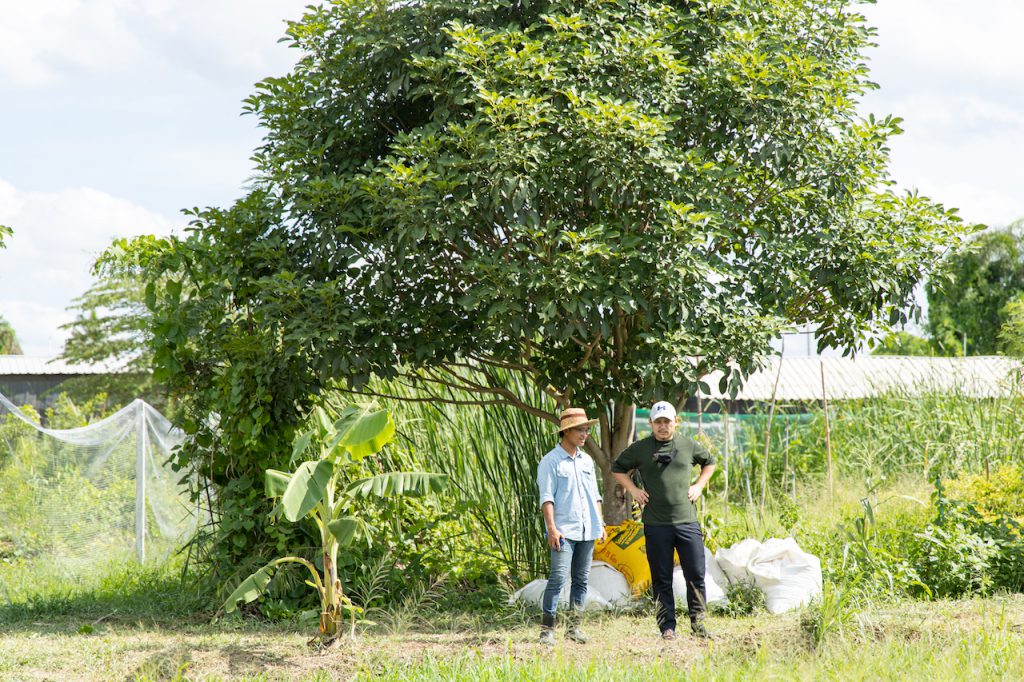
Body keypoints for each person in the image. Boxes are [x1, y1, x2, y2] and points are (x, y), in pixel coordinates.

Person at [611, 400, 717, 641]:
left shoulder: (688, 445)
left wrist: (699, 486)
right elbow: (617, 469)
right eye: (658, 422)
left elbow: (709, 462)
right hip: (656, 524)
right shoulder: (640, 449)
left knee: (696, 573)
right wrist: (634, 490)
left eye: (667, 422)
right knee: (661, 577)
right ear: (650, 424)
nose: (662, 426)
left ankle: (698, 623)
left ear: (675, 422)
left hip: (687, 522)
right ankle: (667, 627)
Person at [535, 407, 606, 645]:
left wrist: (601, 523)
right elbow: (546, 498)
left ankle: (574, 628)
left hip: (588, 530)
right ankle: (547, 630)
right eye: (580, 429)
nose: (585, 434)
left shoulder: (587, 461)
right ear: (566, 431)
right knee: (557, 578)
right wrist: (552, 529)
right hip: (563, 532)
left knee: (581, 580)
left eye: (587, 429)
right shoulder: (550, 461)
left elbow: (595, 495)